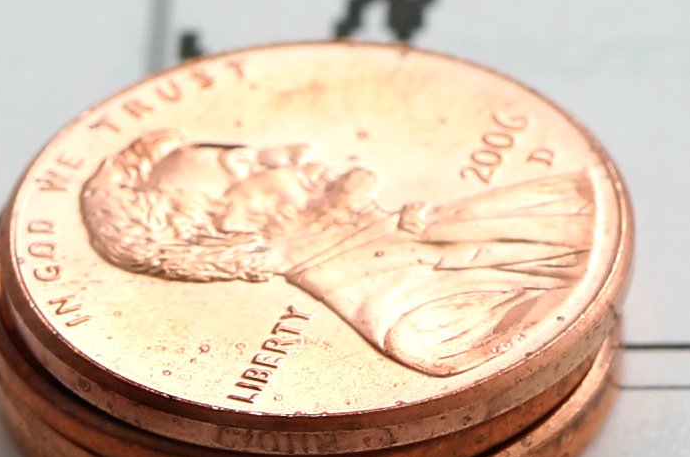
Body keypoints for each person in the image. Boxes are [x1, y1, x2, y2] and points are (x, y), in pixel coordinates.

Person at [78, 130, 599, 379]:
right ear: (230, 236)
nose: (293, 150)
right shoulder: (432, 329)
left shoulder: (467, 216)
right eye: (247, 168)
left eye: (254, 149)